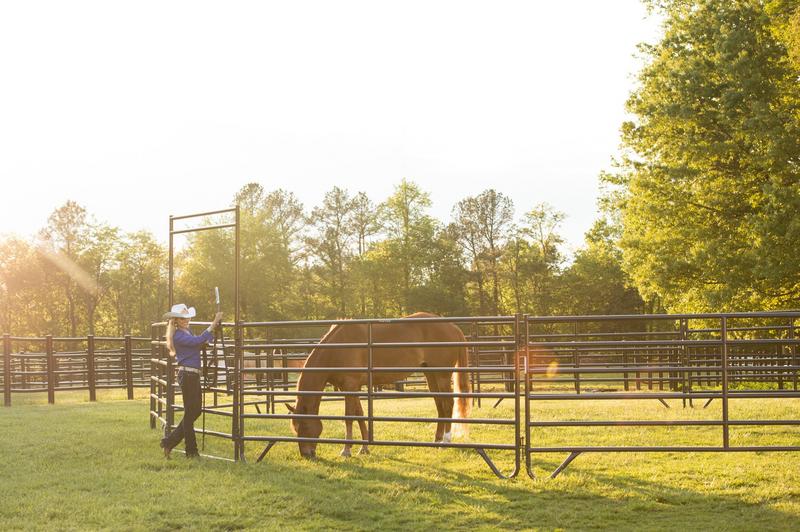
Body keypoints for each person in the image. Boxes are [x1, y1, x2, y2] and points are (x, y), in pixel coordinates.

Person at [159, 303, 223, 459]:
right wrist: (213, 323)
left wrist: (212, 332)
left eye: (187, 317)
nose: (186, 320)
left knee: (195, 411)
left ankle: (171, 443)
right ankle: (190, 451)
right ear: (175, 320)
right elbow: (195, 342)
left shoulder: (187, 332)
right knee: (191, 413)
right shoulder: (178, 335)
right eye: (182, 318)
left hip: (192, 375)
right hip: (188, 375)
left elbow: (198, 343)